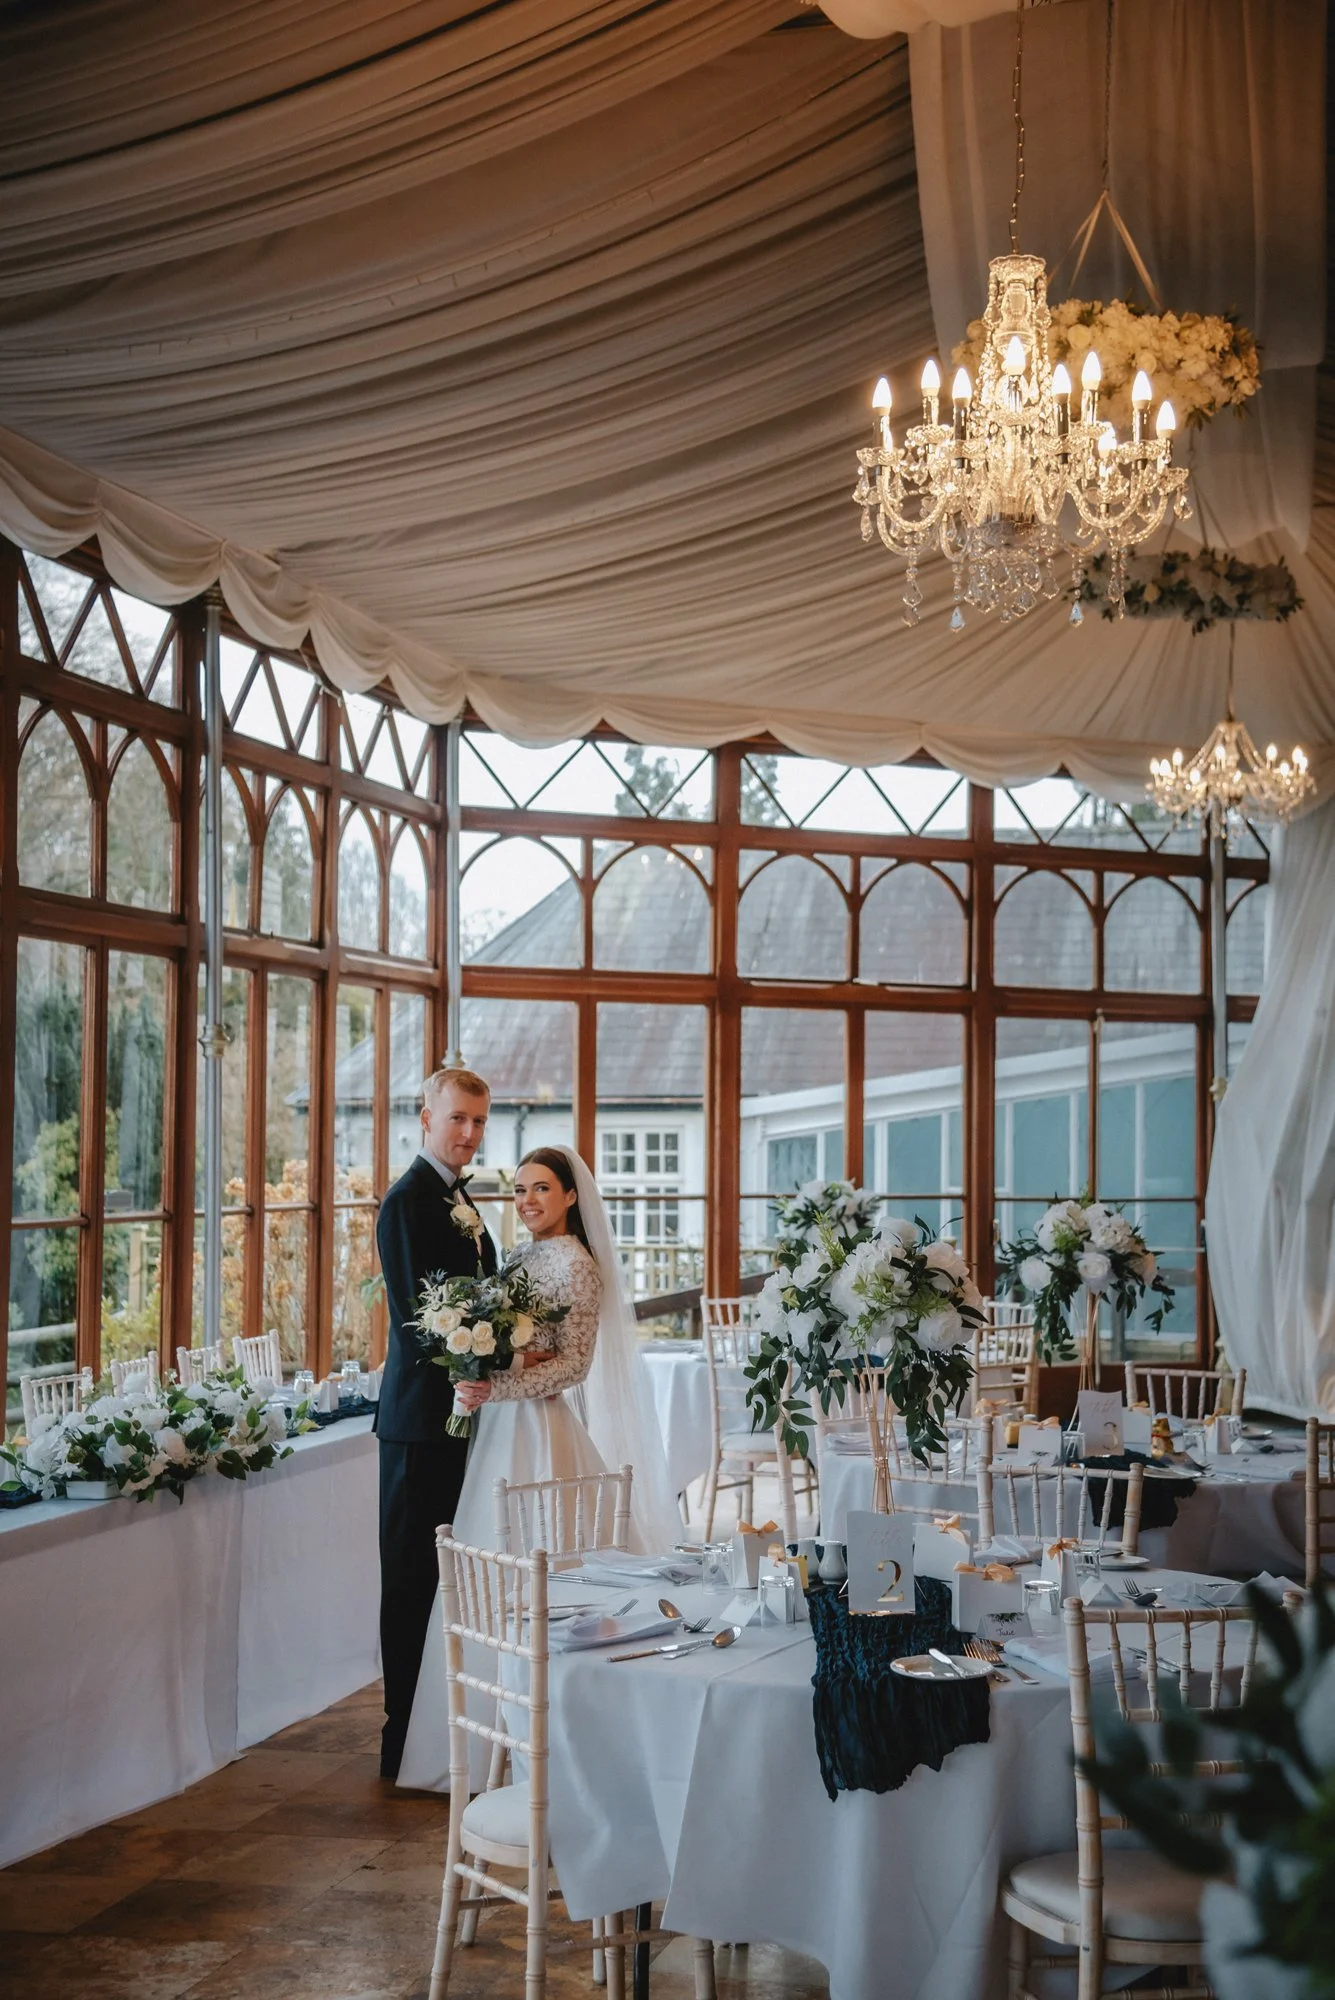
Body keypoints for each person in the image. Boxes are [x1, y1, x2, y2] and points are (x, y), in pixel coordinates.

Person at [394, 1143, 681, 1791]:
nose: (526, 1200)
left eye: (541, 1188)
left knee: (537, 1574)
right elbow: (516, 1344)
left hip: (538, 1434)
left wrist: (493, 1386)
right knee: (484, 1568)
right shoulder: (519, 1254)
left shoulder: (576, 1265)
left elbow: (570, 1365)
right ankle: (482, 1741)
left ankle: (553, 1748)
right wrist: (476, 1370)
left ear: (571, 1197)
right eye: (519, 1189)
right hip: (497, 1428)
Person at [374, 1064, 497, 1782]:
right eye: (457, 1119)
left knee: (450, 1576)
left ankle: (440, 1730)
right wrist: (466, 1373)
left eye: (478, 1121)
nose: (469, 1134)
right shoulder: (407, 1202)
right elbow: (416, 1320)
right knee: (411, 1579)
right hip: (420, 1422)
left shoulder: (460, 1199)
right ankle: (401, 1740)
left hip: (463, 1414)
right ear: (425, 1117)